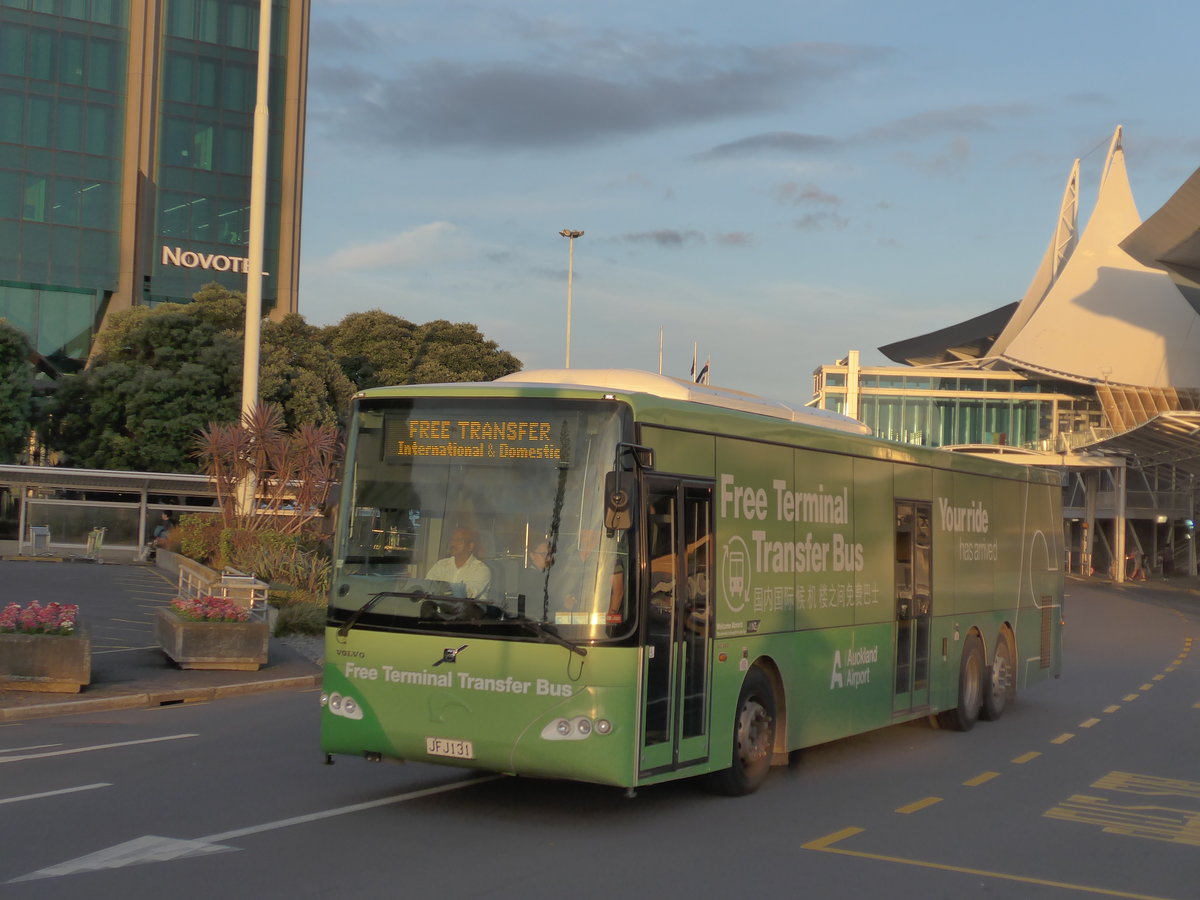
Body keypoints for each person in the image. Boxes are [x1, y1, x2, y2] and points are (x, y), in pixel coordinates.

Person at [424, 526, 491, 599]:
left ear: (470, 546)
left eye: (459, 540)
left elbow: (467, 594)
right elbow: (427, 587)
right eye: (452, 540)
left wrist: (441, 589)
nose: (453, 544)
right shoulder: (441, 565)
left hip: (468, 610)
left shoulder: (481, 570)